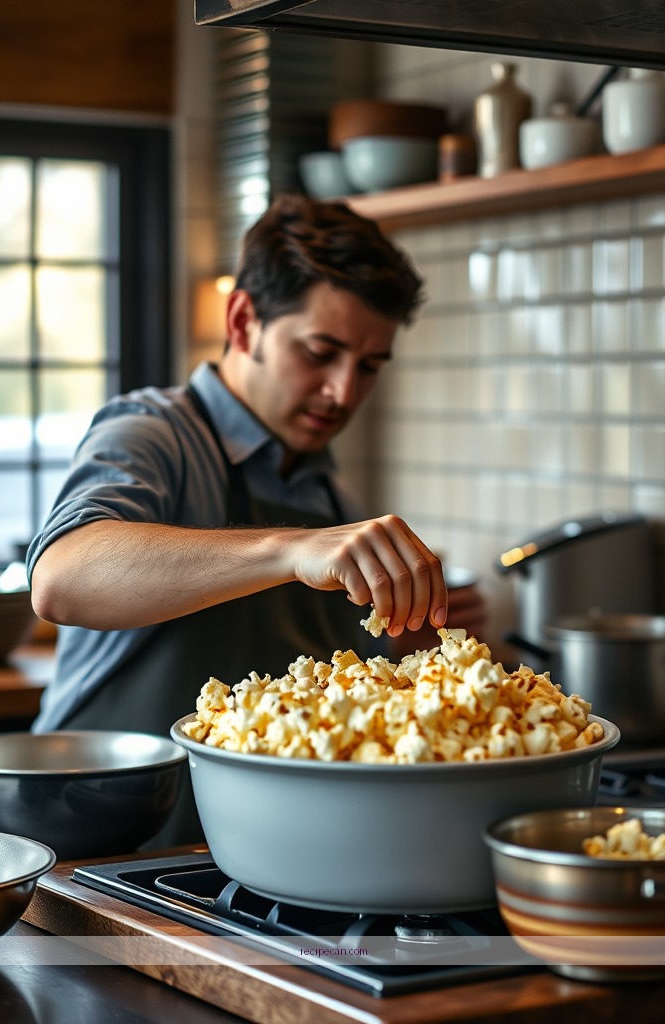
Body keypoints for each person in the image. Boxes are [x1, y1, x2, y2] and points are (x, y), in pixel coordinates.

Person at [26, 193, 481, 846]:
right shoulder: (153, 434)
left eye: (370, 366)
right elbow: (61, 578)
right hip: (100, 856)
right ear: (243, 322)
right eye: (321, 352)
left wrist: (410, 639)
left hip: (247, 861)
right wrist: (289, 551)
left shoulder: (334, 503)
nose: (344, 392)